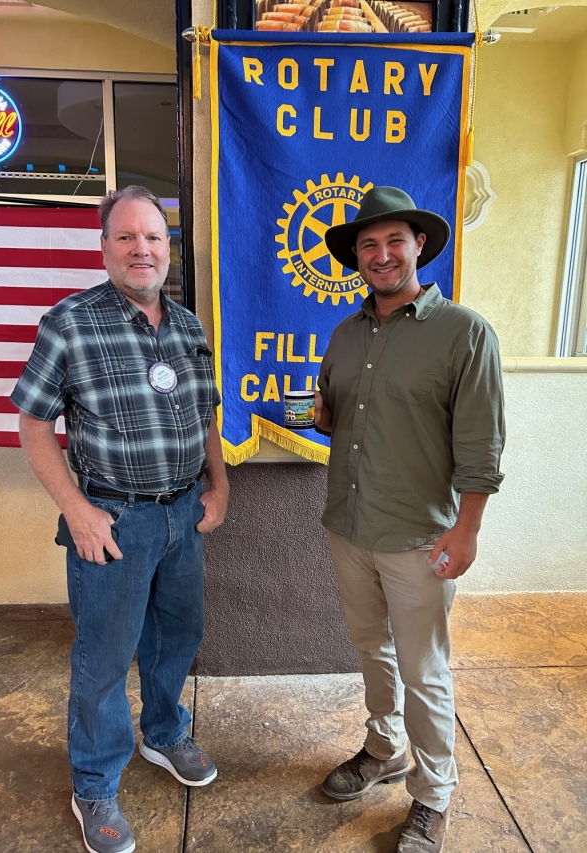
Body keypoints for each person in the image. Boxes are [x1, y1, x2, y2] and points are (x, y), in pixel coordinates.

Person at [11, 185, 229, 853]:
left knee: (176, 637)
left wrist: (218, 487)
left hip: (182, 517)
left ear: (169, 248)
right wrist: (76, 508)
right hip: (111, 522)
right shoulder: (70, 323)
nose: (143, 249)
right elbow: (32, 422)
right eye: (128, 237)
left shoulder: (189, 327)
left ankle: (163, 733)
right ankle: (95, 783)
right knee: (102, 661)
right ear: (104, 246)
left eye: (154, 237)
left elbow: (205, 416)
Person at [314, 186, 505, 853]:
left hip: (420, 535)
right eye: (368, 244)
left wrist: (468, 528)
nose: (382, 254)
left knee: (425, 670)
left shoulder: (465, 333)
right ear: (356, 257)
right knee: (373, 649)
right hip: (349, 523)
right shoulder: (344, 332)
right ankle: (384, 745)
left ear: (419, 245)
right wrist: (323, 414)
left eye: (394, 240)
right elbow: (338, 415)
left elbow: (482, 448)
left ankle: (433, 795)